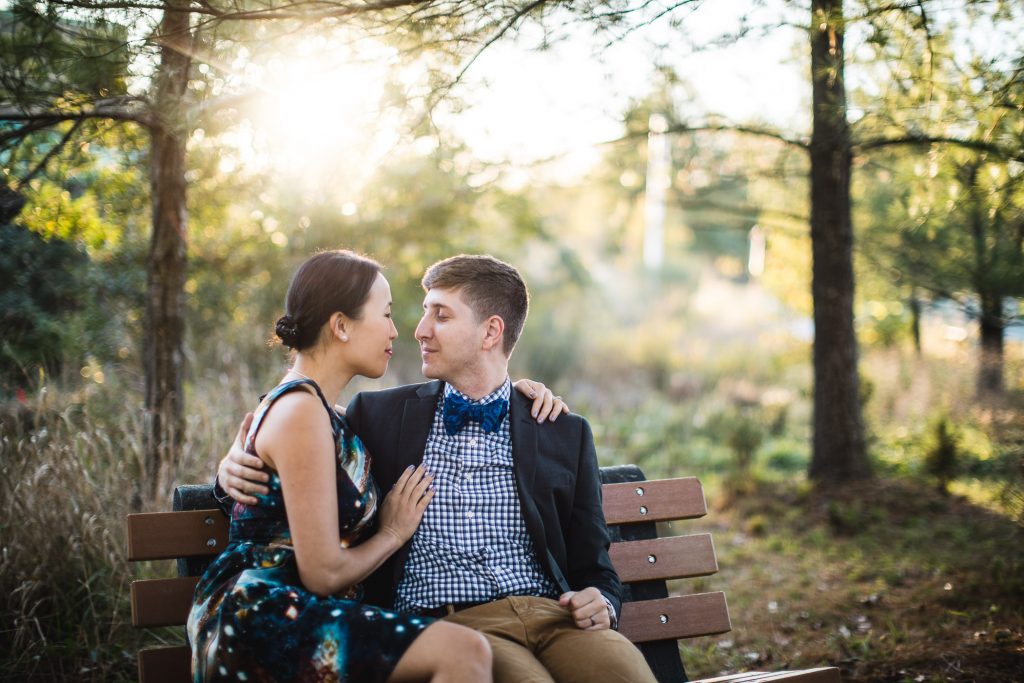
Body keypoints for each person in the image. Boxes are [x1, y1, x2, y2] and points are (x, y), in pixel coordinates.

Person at [219, 254, 657, 683]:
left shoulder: (559, 429)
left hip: (556, 617)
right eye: (421, 312)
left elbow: (594, 562)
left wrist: (602, 600)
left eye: (441, 316)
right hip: (454, 622)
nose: (418, 330)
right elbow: (289, 452)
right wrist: (228, 470)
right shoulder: (377, 415)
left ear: (491, 332)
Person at [188, 250, 493, 682]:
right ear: (341, 326)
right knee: (464, 652)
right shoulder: (300, 412)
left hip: (301, 610)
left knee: (465, 650)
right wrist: (392, 532)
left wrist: (522, 394)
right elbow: (324, 572)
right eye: (385, 314)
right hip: (265, 617)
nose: (395, 329)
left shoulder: (327, 413)